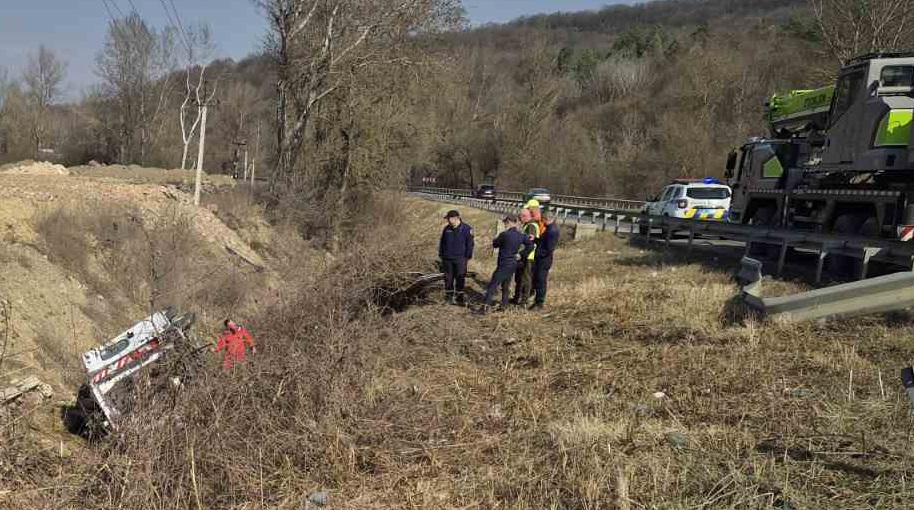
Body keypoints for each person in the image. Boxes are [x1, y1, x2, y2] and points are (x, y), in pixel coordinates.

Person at [473, 215, 534, 315]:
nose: (504, 225)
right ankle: (504, 306)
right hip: (513, 264)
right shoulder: (521, 235)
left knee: (492, 286)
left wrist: (494, 240)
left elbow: (495, 244)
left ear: (510, 222)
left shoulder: (504, 235)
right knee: (505, 285)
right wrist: (521, 254)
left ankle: (484, 309)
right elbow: (531, 246)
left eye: (505, 223)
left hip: (503, 264)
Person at [438, 209, 474, 305]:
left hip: (460, 259)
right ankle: (449, 298)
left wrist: (467, 257)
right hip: (447, 259)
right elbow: (442, 242)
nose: (448, 221)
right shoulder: (447, 229)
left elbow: (470, 244)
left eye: (449, 218)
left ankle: (459, 299)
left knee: (460, 278)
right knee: (448, 278)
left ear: (456, 218)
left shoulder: (466, 229)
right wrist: (441, 254)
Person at [531, 211, 560, 310]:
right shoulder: (549, 228)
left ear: (546, 219)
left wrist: (536, 254)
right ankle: (535, 300)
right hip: (541, 259)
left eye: (542, 220)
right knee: (536, 279)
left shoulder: (552, 231)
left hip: (544, 260)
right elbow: (542, 241)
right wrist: (535, 239)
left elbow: (548, 249)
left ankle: (539, 303)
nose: (541, 222)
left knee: (541, 281)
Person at [511, 208, 540, 306]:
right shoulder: (527, 225)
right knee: (519, 278)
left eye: (520, 217)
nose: (519, 220)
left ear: (524, 216)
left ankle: (524, 301)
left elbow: (530, 241)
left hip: (528, 257)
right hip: (524, 256)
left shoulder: (531, 226)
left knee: (526, 279)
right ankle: (517, 298)